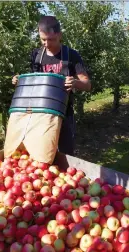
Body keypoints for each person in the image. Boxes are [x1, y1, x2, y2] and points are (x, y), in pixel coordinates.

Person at [12, 16, 91, 156]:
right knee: (41, 151)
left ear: (59, 35)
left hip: (63, 113)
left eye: (51, 39)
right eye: (43, 39)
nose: (47, 44)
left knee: (65, 154)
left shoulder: (71, 55)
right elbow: (33, 82)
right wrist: (20, 81)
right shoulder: (36, 55)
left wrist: (75, 82)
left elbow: (87, 84)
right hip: (39, 113)